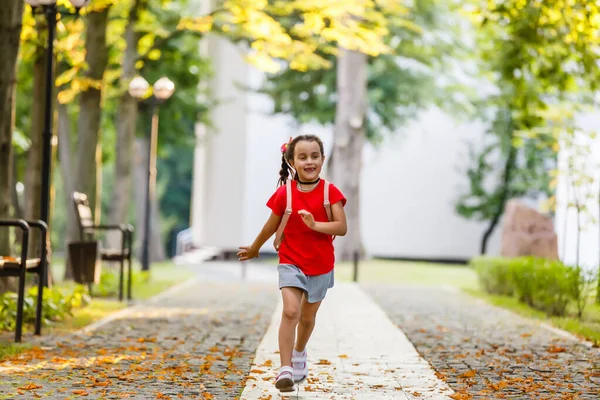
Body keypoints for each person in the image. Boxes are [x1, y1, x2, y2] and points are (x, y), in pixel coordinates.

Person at [237, 134, 347, 392]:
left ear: (322, 158)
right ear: (291, 162)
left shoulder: (330, 192)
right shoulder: (284, 194)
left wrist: (314, 225)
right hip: (291, 261)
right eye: (302, 157)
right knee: (290, 312)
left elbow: (341, 227)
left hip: (320, 265)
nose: (309, 161)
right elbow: (270, 225)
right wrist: (255, 247)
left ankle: (299, 353)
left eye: (314, 156)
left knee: (307, 318)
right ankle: (285, 368)